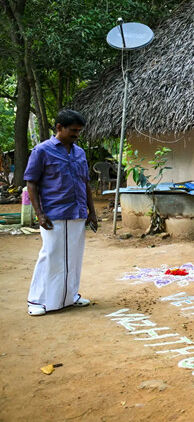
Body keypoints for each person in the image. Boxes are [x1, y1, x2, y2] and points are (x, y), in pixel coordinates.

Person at [25, 110, 97, 316]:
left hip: (77, 211)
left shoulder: (79, 152)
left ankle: (69, 296)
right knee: (51, 255)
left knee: (74, 256)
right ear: (59, 128)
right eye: (73, 130)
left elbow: (86, 183)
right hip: (53, 212)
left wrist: (92, 212)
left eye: (79, 131)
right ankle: (37, 300)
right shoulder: (42, 151)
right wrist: (39, 213)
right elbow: (31, 183)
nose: (77, 135)